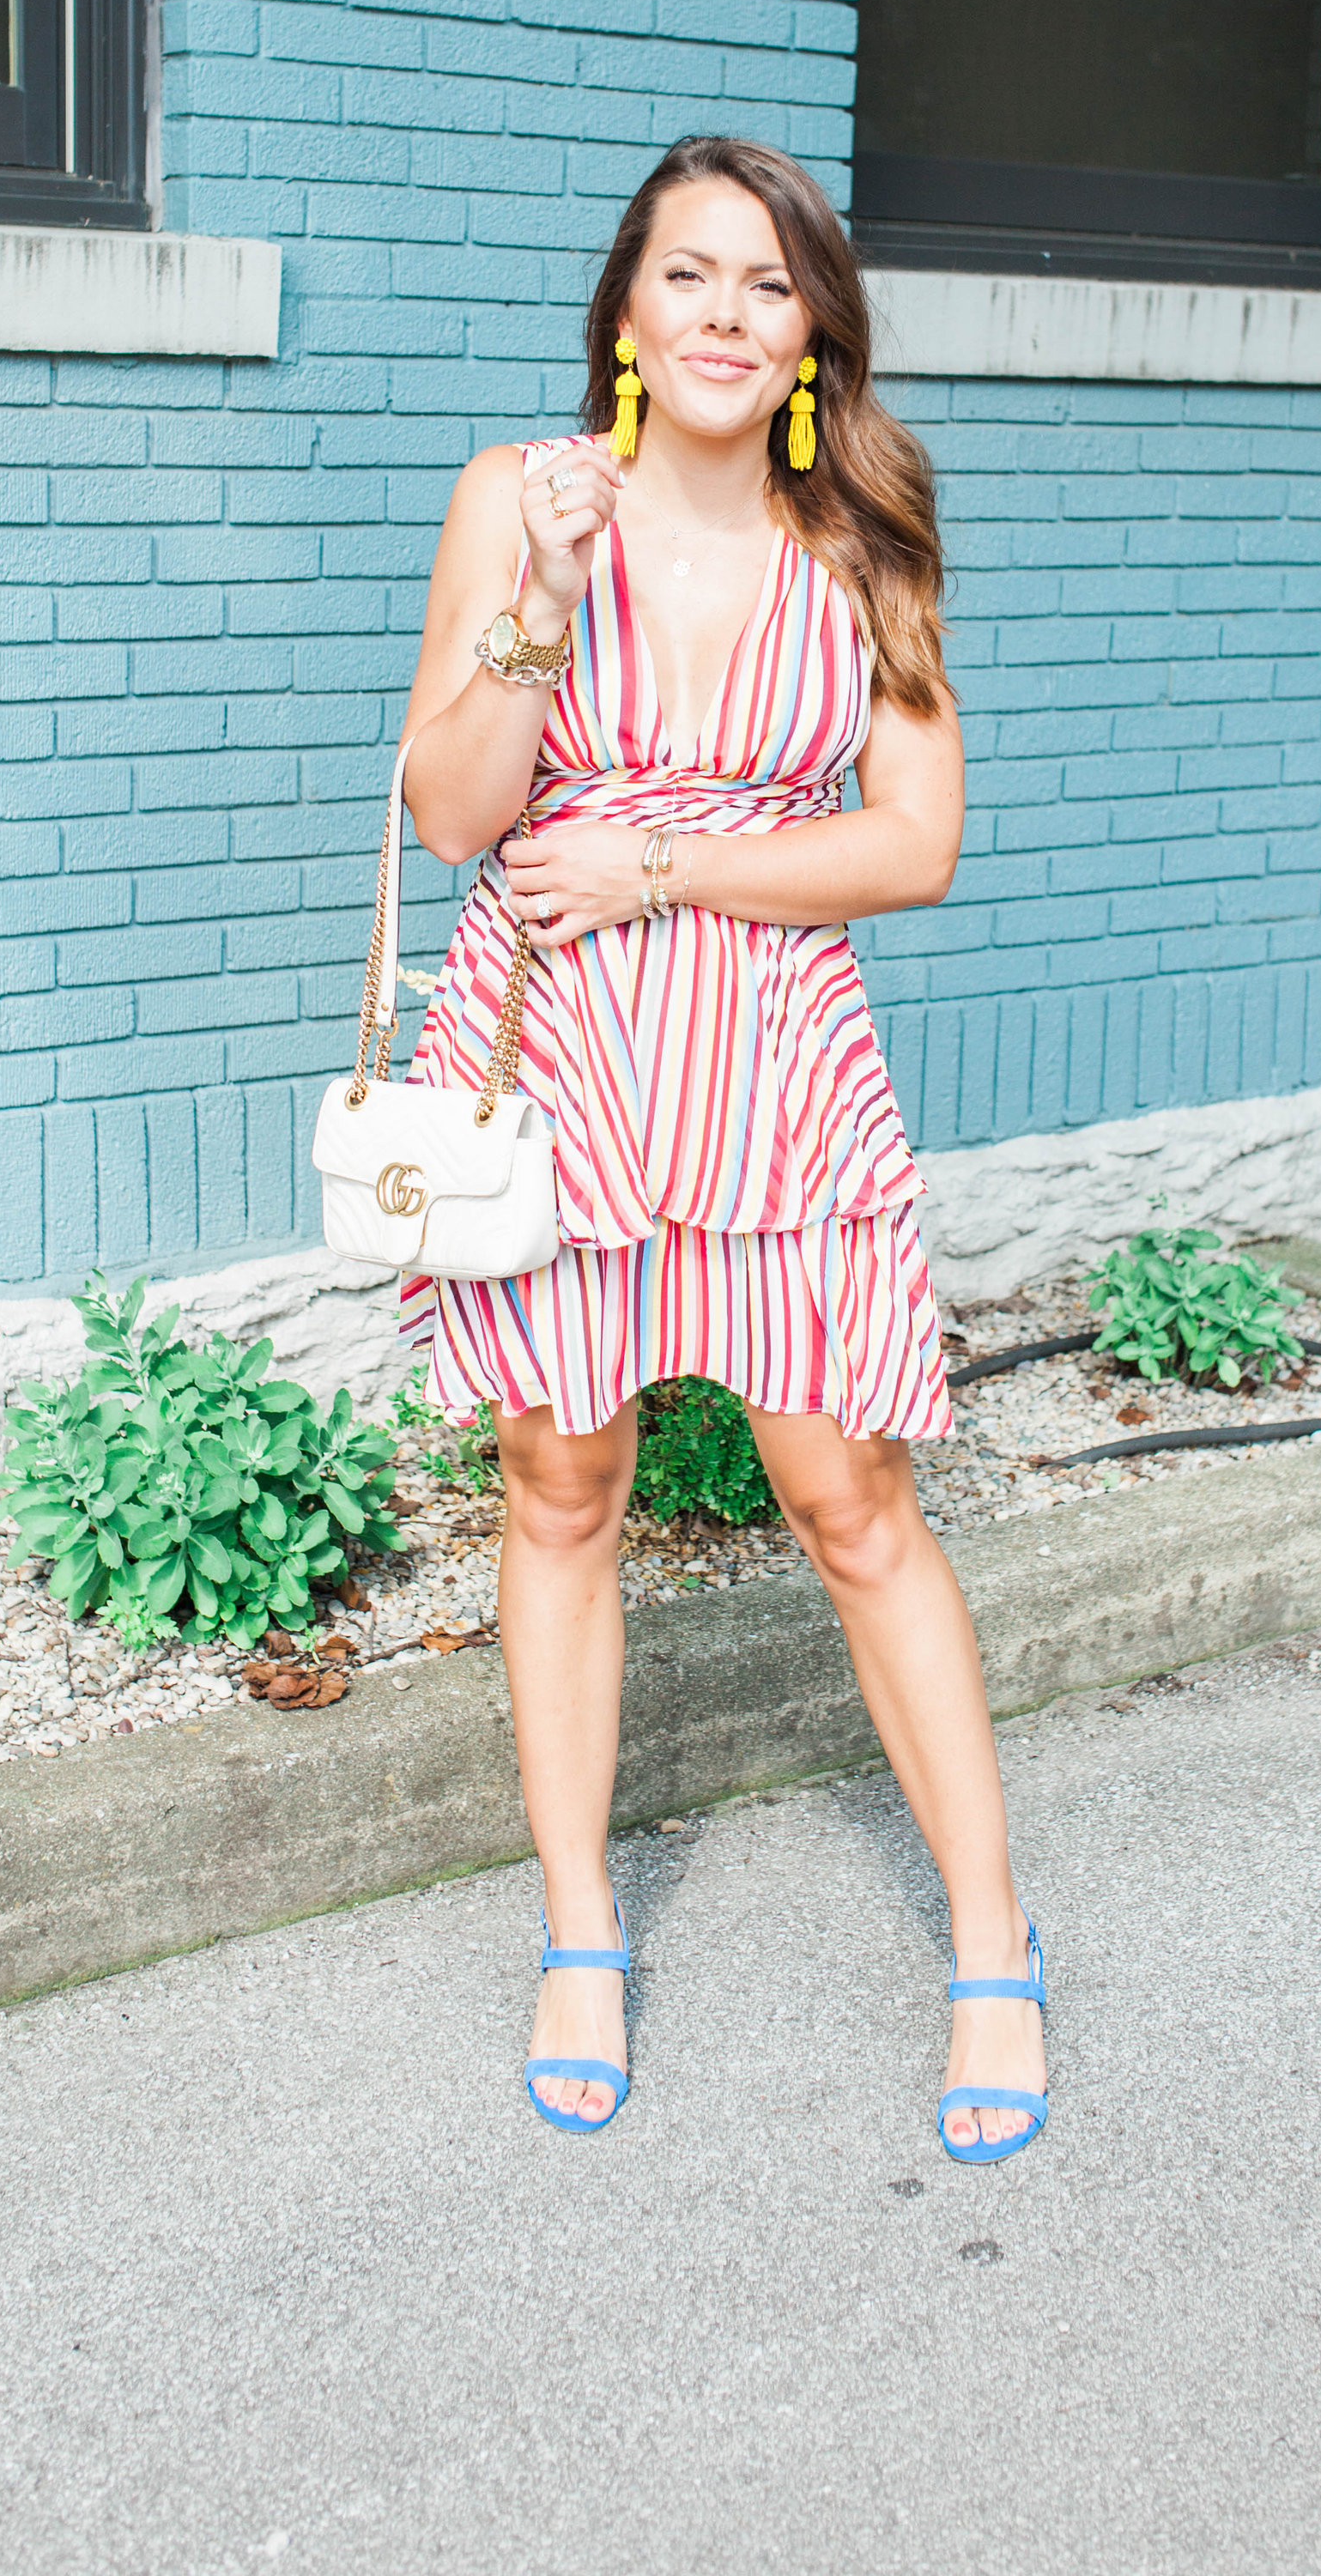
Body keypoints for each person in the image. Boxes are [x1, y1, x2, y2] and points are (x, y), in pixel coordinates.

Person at [397, 134, 1047, 2162]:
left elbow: (912, 842)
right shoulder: (518, 500)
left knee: (848, 1494)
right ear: (625, 308)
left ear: (808, 334)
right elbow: (445, 811)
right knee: (561, 1479)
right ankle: (580, 1929)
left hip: (769, 1065)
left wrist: (664, 855)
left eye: (767, 287)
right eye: (687, 275)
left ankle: (991, 1944)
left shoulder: (864, 530)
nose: (722, 314)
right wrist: (542, 606)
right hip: (551, 1064)